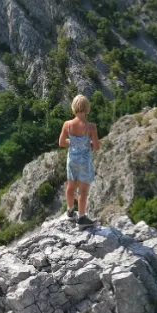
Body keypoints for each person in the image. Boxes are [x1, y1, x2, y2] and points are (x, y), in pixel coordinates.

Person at [59, 94, 100, 230]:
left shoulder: (68, 125)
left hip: (72, 159)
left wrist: (72, 141)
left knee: (70, 185)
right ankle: (81, 217)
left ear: (73, 108)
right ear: (87, 108)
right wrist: (88, 143)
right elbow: (97, 147)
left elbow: (61, 143)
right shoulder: (91, 127)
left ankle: (70, 211)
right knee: (83, 190)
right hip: (85, 161)